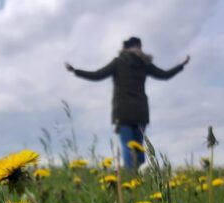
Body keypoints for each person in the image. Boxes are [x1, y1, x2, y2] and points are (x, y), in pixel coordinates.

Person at [65, 36, 189, 170]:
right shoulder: (145, 64)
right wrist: (181, 65)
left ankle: (132, 177)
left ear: (125, 48)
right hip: (141, 111)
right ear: (139, 47)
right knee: (139, 148)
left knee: (127, 145)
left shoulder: (119, 62)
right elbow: (164, 75)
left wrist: (75, 71)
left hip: (122, 111)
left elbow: (97, 75)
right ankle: (136, 174)